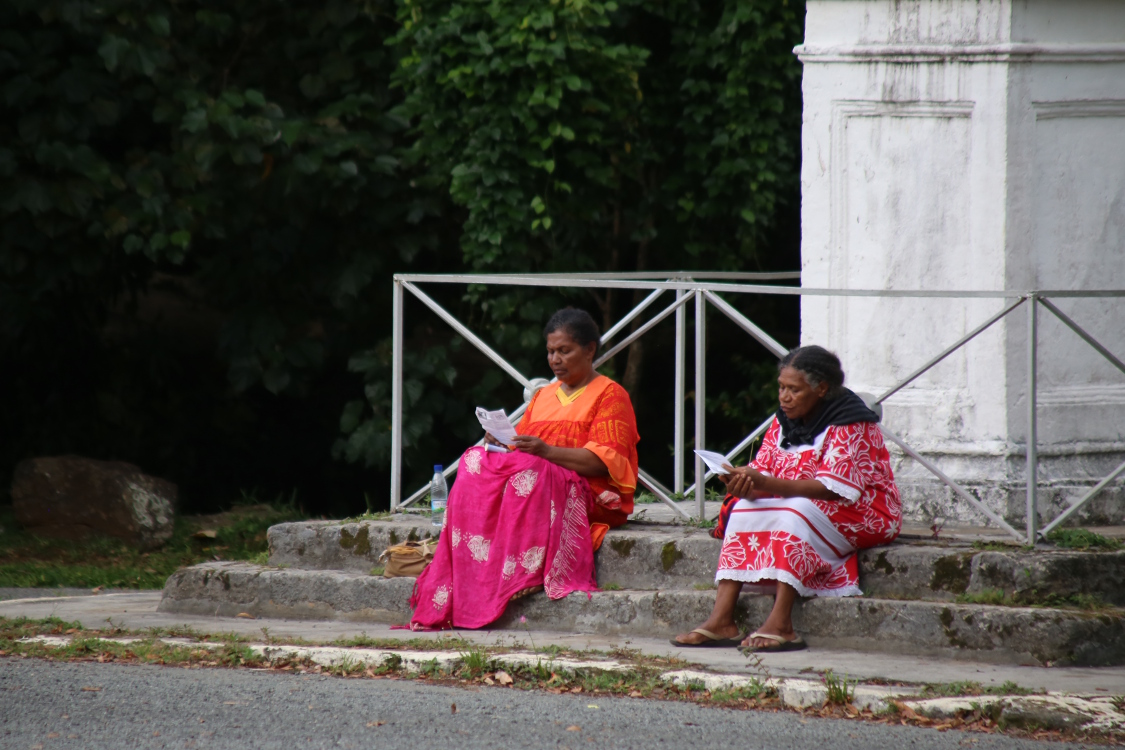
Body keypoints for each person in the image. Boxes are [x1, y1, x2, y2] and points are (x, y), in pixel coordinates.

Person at [409, 308, 640, 630]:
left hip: (591, 493)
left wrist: (547, 452)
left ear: (590, 350)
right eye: (550, 351)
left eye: (564, 351)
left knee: (533, 470)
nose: (555, 360)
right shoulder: (544, 395)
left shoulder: (611, 395)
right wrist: (501, 441)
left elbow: (605, 462)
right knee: (474, 458)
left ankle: (517, 572)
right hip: (538, 479)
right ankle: (474, 562)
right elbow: (523, 449)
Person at [673, 345, 901, 651]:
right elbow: (763, 473)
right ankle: (722, 620)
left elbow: (832, 489)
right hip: (803, 506)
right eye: (781, 387)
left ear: (821, 389)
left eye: (794, 389)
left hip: (863, 512)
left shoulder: (852, 421)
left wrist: (766, 482)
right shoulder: (783, 421)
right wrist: (743, 484)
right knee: (742, 509)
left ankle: (782, 623)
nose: (784, 397)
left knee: (795, 510)